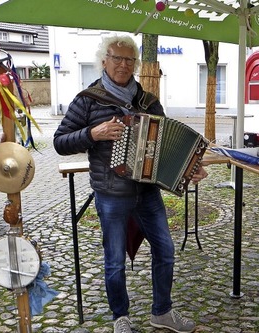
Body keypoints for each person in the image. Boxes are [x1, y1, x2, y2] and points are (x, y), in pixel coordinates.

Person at [53, 35, 207, 333]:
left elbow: (167, 146)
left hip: (147, 192)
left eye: (129, 60)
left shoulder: (148, 101)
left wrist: (190, 170)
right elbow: (60, 142)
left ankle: (161, 312)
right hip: (111, 194)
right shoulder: (87, 99)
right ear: (104, 61)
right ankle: (120, 318)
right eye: (116, 58)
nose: (123, 65)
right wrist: (92, 134)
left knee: (165, 249)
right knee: (115, 259)